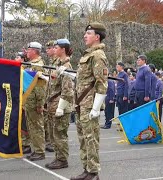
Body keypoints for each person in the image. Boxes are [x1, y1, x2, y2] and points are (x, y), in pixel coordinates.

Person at [60, 22, 108, 180]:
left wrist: (96, 108)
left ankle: (93, 172)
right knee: (83, 139)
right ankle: (87, 169)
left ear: (97, 37)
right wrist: (67, 73)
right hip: (81, 103)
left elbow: (101, 84)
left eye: (88, 34)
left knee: (90, 139)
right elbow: (83, 79)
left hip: (89, 106)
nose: (85, 36)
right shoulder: (87, 55)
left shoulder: (98, 55)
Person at [44, 38, 74, 169]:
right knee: (54, 134)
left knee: (60, 134)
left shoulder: (66, 66)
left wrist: (60, 107)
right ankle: (57, 157)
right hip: (53, 104)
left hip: (60, 105)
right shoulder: (57, 65)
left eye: (56, 48)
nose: (53, 49)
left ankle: (62, 159)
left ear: (63, 50)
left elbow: (67, 90)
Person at [24, 42, 47, 161]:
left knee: (37, 127)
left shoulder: (38, 65)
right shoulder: (31, 64)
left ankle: (40, 151)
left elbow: (40, 86)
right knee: (32, 127)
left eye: (28, 50)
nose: (26, 52)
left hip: (34, 102)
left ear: (34, 51)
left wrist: (40, 103)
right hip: (29, 101)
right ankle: (36, 149)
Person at [44, 40, 56, 153]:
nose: (47, 50)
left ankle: (55, 145)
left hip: (56, 99)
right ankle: (52, 143)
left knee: (56, 126)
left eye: (49, 48)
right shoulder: (52, 62)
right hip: (50, 98)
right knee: (50, 123)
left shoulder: (60, 63)